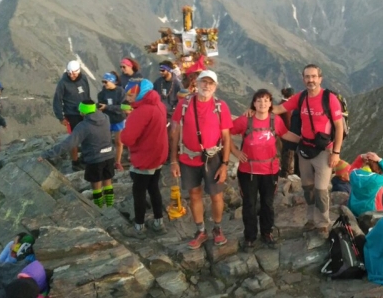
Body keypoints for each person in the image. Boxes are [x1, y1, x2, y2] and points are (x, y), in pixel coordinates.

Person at [270, 64, 344, 234]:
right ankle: (311, 219)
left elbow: (339, 127)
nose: (310, 80)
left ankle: (323, 222)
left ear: (320, 78)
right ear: (303, 79)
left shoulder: (329, 99)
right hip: (305, 148)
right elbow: (280, 109)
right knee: (308, 188)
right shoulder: (300, 97)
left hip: (324, 150)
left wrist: (336, 153)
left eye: (314, 76)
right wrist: (259, 106)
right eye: (307, 77)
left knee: (321, 189)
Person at [170, 70, 233, 249]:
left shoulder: (221, 107)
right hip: (188, 157)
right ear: (196, 84)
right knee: (194, 194)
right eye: (203, 82)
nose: (206, 86)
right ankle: (201, 231)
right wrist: (173, 161)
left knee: (216, 195)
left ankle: (217, 229)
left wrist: (225, 164)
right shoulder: (184, 105)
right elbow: (174, 134)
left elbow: (227, 138)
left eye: (210, 83)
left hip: (213, 158)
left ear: (215, 87)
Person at [229, 89, 300, 248]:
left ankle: (267, 233)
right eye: (259, 100)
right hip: (248, 171)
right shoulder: (244, 120)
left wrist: (305, 140)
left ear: (270, 104)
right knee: (250, 204)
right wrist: (235, 151)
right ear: (254, 103)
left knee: (268, 203)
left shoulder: (275, 121)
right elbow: (226, 132)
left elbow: (286, 134)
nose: (262, 103)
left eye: (266, 100)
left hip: (270, 170)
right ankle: (250, 237)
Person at [40, 100, 115, 208]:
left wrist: (46, 154)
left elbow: (68, 144)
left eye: (80, 110)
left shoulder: (83, 126)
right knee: (107, 181)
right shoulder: (106, 118)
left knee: (96, 184)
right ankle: (110, 205)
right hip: (109, 155)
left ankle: (99, 208)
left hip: (95, 159)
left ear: (83, 111)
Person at [121, 79, 169, 239]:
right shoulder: (159, 105)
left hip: (144, 157)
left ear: (140, 93)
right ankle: (158, 223)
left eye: (130, 94)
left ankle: (139, 227)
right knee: (154, 188)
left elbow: (127, 138)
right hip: (158, 155)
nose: (128, 98)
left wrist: (125, 127)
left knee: (139, 192)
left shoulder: (141, 111)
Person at [52, 60, 91, 171]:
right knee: (74, 138)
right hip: (71, 114)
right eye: (69, 73)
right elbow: (57, 100)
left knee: (86, 136)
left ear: (78, 71)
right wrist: (61, 117)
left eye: (73, 73)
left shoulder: (83, 78)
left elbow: (87, 94)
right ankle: (75, 162)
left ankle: (85, 158)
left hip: (84, 112)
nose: (71, 75)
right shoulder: (63, 83)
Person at [97, 71, 127, 171]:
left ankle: (117, 162)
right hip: (107, 119)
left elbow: (122, 107)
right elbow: (101, 104)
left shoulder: (120, 92)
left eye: (106, 82)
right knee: (106, 141)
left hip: (118, 119)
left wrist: (107, 107)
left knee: (119, 142)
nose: (104, 84)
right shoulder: (102, 92)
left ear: (112, 81)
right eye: (103, 82)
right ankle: (107, 161)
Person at [347, 152, 383, 217]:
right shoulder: (377, 179)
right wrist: (380, 160)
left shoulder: (354, 174)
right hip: (370, 212)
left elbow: (351, 169)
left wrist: (360, 157)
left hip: (353, 209)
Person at [153, 61, 183, 139]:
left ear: (169, 70)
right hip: (159, 113)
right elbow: (152, 94)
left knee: (171, 136)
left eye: (163, 70)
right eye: (160, 70)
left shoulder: (177, 84)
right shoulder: (158, 82)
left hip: (172, 115)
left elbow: (181, 100)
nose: (160, 72)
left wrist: (174, 109)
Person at [278, 87, 297, 177]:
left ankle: (284, 170)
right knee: (288, 153)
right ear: (292, 96)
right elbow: (288, 122)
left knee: (284, 152)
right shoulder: (286, 106)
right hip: (286, 133)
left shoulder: (281, 103)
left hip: (280, 133)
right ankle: (286, 172)